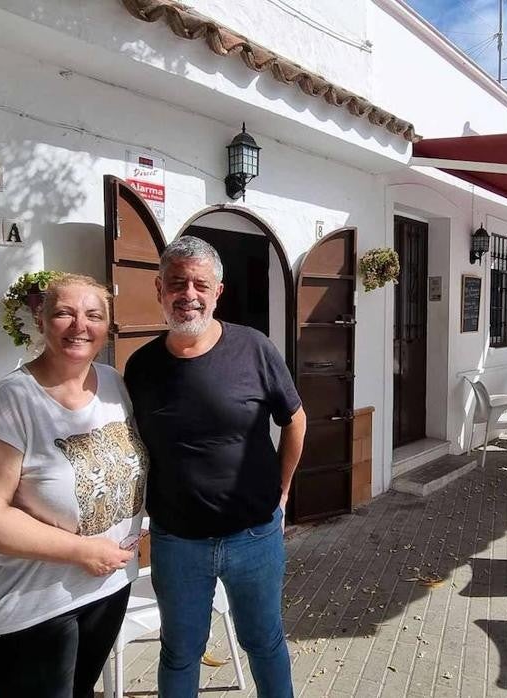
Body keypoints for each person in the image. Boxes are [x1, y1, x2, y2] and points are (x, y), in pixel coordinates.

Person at [124, 236, 306, 698]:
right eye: (177, 283)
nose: (189, 294)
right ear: (159, 289)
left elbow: (296, 420)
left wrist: (282, 493)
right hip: (177, 542)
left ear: (217, 291)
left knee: (264, 642)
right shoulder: (141, 367)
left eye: (200, 284)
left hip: (254, 537)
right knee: (180, 651)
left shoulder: (254, 348)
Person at [0, 273, 148, 698]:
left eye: (93, 315)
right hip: (31, 607)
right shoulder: (9, 402)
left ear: (107, 326)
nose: (80, 325)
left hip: (105, 590)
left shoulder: (114, 384)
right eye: (64, 313)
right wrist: (83, 551)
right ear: (40, 320)